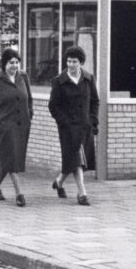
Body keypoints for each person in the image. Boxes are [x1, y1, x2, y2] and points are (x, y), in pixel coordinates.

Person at [48, 45, 99, 206]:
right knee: (77, 159)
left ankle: (59, 181)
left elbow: (95, 101)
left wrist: (93, 120)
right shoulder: (59, 81)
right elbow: (53, 106)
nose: (70, 64)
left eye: (74, 61)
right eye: (68, 61)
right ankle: (82, 193)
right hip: (68, 129)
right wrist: (63, 121)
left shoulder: (89, 79)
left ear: (81, 63)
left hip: (85, 127)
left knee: (76, 160)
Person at [0, 48, 33, 207]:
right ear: (4, 63)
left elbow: (29, 99)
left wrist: (29, 115)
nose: (14, 66)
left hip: (22, 126)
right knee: (11, 159)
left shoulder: (23, 77)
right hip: (5, 126)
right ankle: (19, 194)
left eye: (17, 62)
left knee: (11, 159)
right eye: (11, 62)